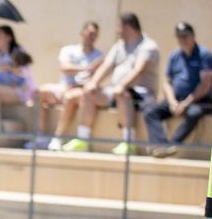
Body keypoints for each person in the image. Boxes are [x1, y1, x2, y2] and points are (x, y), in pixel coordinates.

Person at [69, 12, 160, 154]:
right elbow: (107, 66)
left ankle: (128, 142)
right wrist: (93, 82)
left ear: (128, 27)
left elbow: (139, 70)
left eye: (119, 27)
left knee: (122, 94)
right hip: (116, 90)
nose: (118, 31)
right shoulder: (119, 46)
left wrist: (122, 85)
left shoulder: (148, 46)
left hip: (141, 94)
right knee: (89, 93)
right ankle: (83, 139)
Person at [145, 22, 212, 157]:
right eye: (179, 37)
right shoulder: (174, 56)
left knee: (194, 113)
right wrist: (172, 102)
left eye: (186, 36)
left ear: (193, 36)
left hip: (200, 101)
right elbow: (166, 82)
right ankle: (161, 145)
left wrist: (186, 103)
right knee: (150, 112)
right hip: (177, 100)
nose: (183, 40)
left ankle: (173, 144)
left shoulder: (204, 55)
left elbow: (205, 84)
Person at [37, 20, 104, 148]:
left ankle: (58, 138)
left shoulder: (99, 55)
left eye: (95, 34)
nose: (91, 37)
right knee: (39, 92)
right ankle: (40, 136)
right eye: (89, 33)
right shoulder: (68, 50)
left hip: (81, 91)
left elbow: (96, 77)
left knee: (70, 97)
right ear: (81, 33)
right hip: (64, 87)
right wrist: (87, 68)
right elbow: (65, 67)